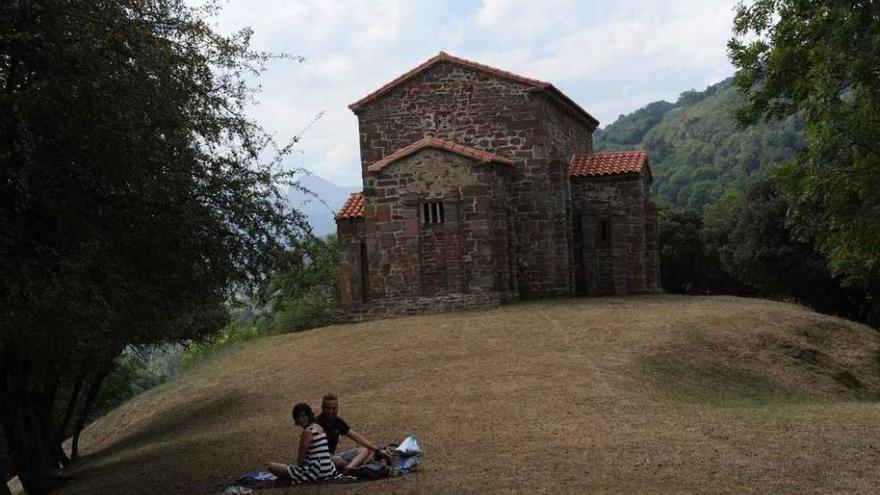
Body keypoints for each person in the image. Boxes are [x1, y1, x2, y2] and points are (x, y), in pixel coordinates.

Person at [315, 393, 392, 474]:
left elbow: (356, 437)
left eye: (334, 408)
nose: (331, 411)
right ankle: (354, 468)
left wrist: (378, 450)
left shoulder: (337, 421)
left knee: (364, 450)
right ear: (322, 408)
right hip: (322, 460)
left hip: (334, 457)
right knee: (340, 461)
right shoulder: (317, 424)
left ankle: (349, 468)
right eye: (328, 408)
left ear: (338, 408)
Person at [267, 403, 341, 484]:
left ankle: (291, 479)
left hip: (314, 473)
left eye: (303, 416)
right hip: (328, 470)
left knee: (271, 466)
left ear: (309, 415)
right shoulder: (319, 427)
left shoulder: (307, 433)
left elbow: (300, 460)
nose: (301, 419)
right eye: (298, 417)